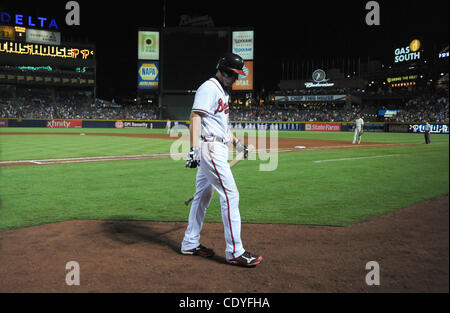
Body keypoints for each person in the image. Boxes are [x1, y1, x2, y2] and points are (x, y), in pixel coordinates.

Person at [181, 52, 263, 267]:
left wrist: (238, 145)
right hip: (209, 147)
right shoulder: (209, 87)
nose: (235, 80)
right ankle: (235, 251)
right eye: (234, 75)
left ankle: (190, 243)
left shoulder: (223, 93)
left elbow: (223, 129)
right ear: (224, 71)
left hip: (217, 145)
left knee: (202, 195)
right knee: (230, 195)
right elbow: (195, 117)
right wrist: (194, 151)